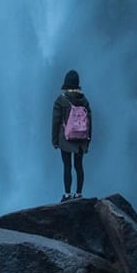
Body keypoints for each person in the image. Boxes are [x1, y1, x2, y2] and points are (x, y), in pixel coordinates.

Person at [51, 69, 92, 202]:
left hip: (66, 139)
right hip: (81, 138)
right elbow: (89, 121)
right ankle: (79, 193)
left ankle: (67, 194)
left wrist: (55, 140)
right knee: (79, 166)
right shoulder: (84, 100)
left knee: (67, 166)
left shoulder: (61, 100)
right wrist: (88, 138)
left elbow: (56, 121)